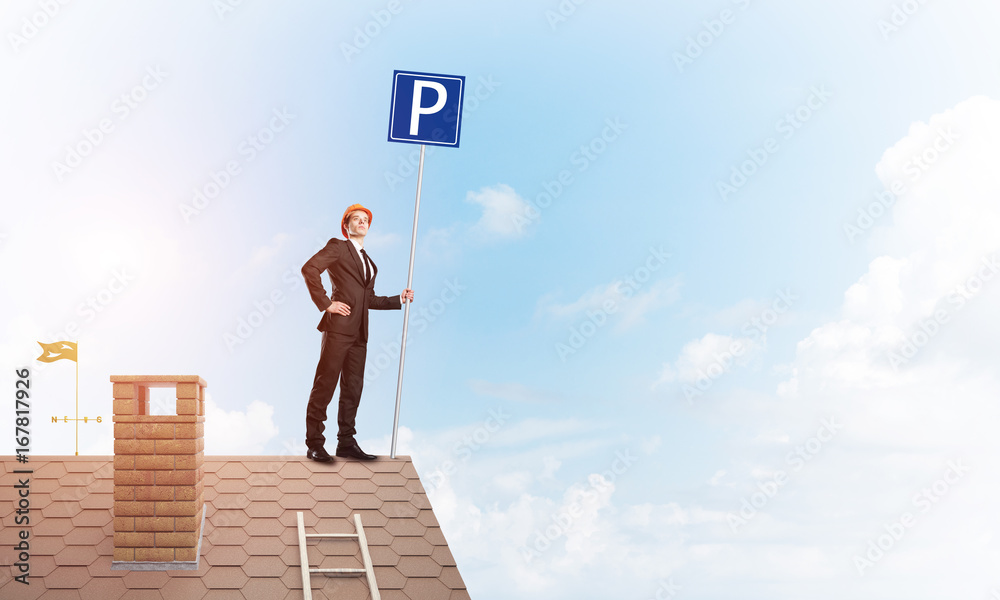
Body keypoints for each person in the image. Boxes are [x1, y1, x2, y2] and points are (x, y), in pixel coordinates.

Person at [301, 203, 414, 462]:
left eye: (365, 220)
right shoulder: (338, 247)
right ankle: (315, 443)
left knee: (353, 388)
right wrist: (327, 304)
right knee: (325, 384)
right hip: (338, 329)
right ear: (346, 226)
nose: (362, 222)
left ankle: (346, 443)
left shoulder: (369, 262)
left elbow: (369, 299)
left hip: (360, 333)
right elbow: (309, 269)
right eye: (356, 219)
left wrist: (399, 298)